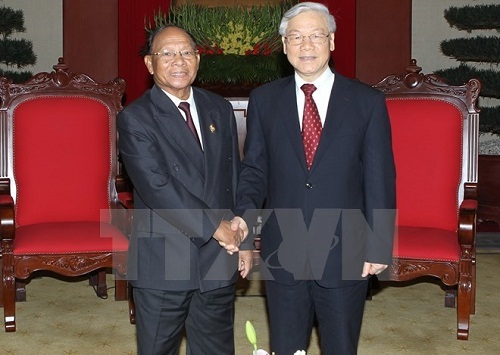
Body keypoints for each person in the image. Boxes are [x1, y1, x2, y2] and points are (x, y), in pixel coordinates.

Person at [231, 2, 396, 354]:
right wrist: (243, 225)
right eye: (296, 37)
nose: (306, 45)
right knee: (286, 346)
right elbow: (255, 170)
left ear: (332, 41)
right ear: (285, 46)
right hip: (283, 249)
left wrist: (379, 244)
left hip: (346, 250)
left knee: (340, 345)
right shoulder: (264, 100)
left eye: (316, 35)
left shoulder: (367, 102)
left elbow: (380, 178)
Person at [117, 24, 253, 355]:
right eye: (167, 53)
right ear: (150, 64)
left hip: (219, 257)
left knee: (216, 349)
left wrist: (244, 238)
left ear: (198, 59)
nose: (178, 61)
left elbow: (232, 178)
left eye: (186, 52)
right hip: (165, 258)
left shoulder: (218, 108)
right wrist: (216, 228)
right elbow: (157, 186)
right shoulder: (135, 118)